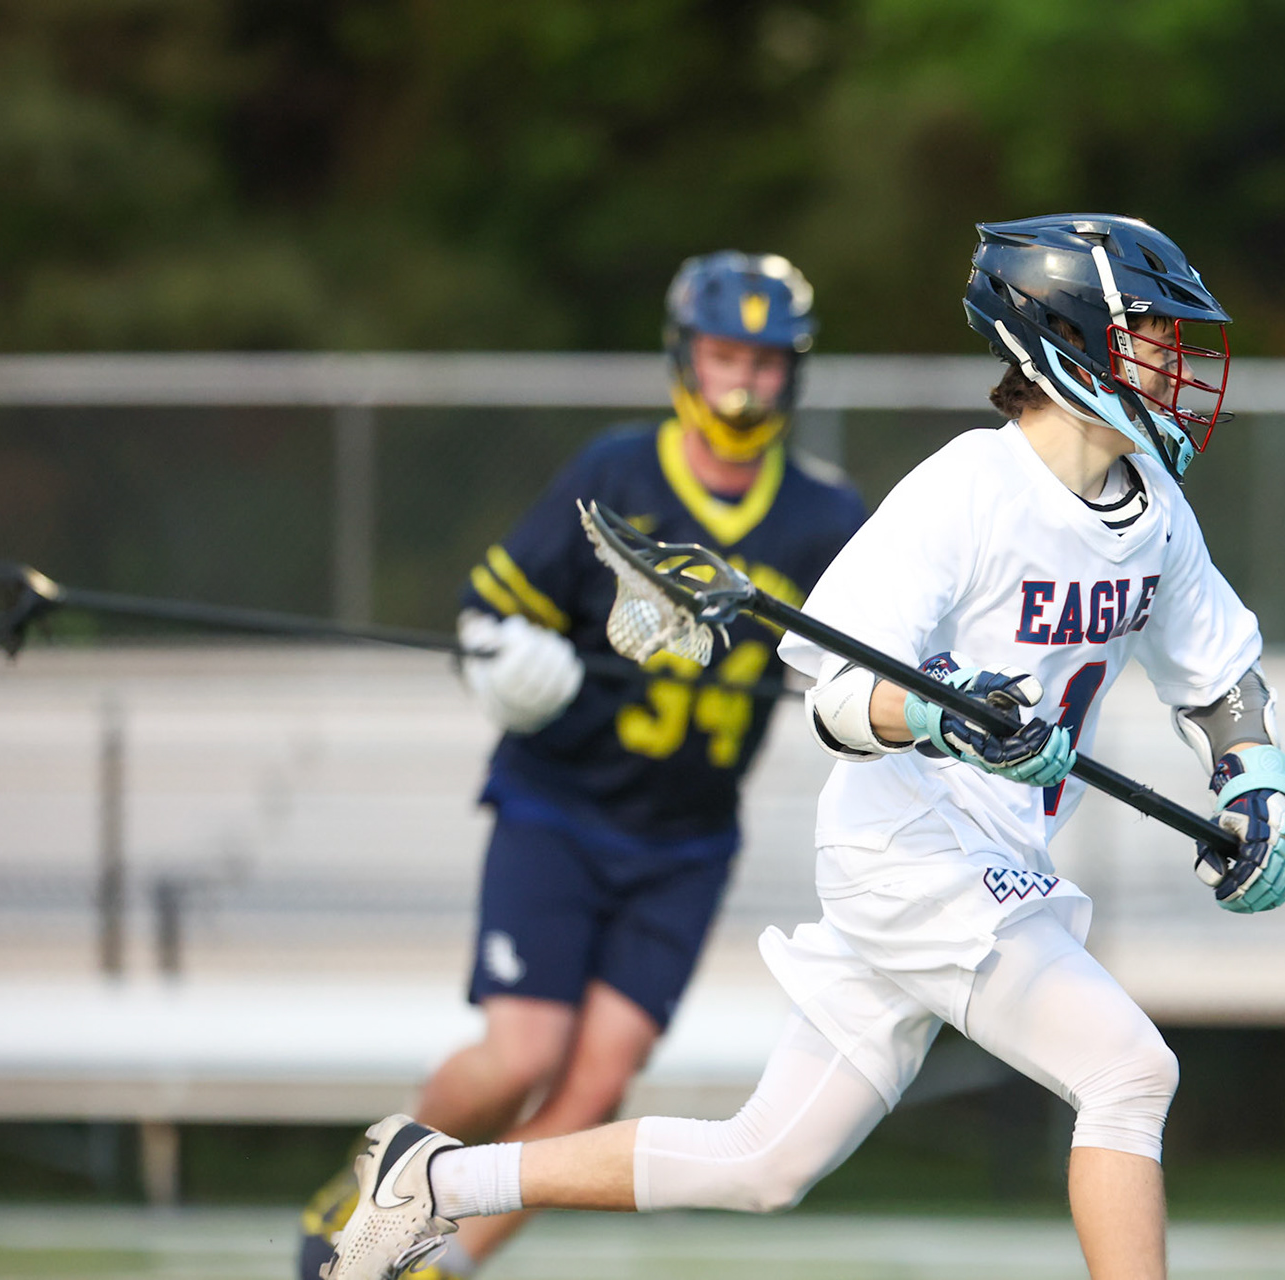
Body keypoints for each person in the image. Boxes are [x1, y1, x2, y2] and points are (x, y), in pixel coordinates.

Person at [319, 214, 1285, 1280]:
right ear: (1070, 337)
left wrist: (1257, 781)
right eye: (1152, 331)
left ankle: (435, 1179)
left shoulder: (1156, 510)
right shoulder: (966, 491)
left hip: (1002, 851)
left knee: (763, 1161)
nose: (1175, 356)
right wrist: (942, 709)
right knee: (1127, 1070)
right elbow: (835, 698)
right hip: (912, 848)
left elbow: (1217, 677)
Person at [297, 251, 867, 1280]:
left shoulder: (829, 521)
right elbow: (491, 607)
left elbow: (877, 658)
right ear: (684, 356)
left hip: (686, 837)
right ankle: (376, 1180)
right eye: (724, 354)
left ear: (797, 372)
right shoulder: (615, 471)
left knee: (595, 1082)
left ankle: (439, 1262)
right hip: (559, 807)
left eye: (765, 360)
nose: (742, 381)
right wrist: (508, 663)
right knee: (523, 1055)